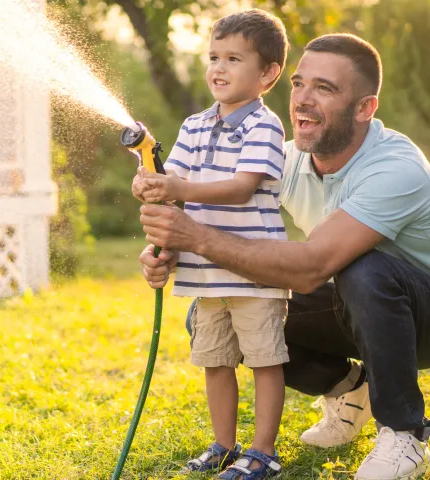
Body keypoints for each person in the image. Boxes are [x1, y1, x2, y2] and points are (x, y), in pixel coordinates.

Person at [138, 33, 430, 480]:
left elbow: (314, 265)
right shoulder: (286, 159)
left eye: (325, 89)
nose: (303, 101)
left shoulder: (396, 167)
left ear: (365, 109)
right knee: (214, 310)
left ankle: (402, 430)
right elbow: (226, 223)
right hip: (360, 308)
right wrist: (169, 249)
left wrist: (195, 237)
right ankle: (352, 389)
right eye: (298, 84)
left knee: (362, 267)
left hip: (422, 314)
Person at [133, 9, 291, 480]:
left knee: (265, 362)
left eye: (234, 59)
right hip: (205, 274)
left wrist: (177, 190)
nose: (218, 69)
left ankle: (263, 452)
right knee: (216, 362)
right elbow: (173, 178)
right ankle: (224, 444)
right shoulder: (194, 125)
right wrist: (148, 182)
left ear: (268, 73)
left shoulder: (264, 126)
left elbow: (241, 187)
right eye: (214, 57)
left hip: (255, 273)